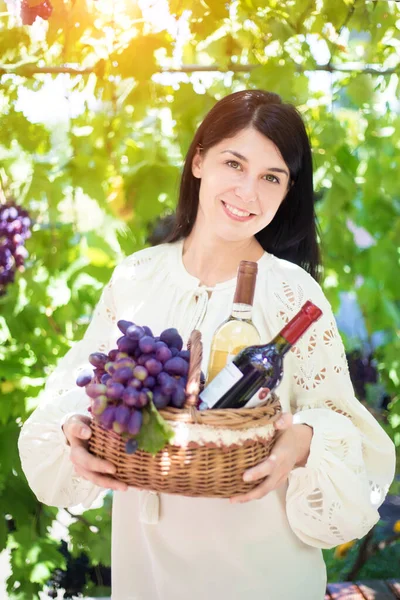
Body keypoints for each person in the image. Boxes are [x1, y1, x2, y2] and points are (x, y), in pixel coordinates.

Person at [18, 90, 396, 600]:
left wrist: (302, 441)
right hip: (144, 572)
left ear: (288, 192)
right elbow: (81, 385)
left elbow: (337, 420)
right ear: (198, 160)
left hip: (259, 573)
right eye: (233, 163)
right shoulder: (136, 275)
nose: (249, 191)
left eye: (271, 177)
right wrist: (72, 429)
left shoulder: (292, 293)